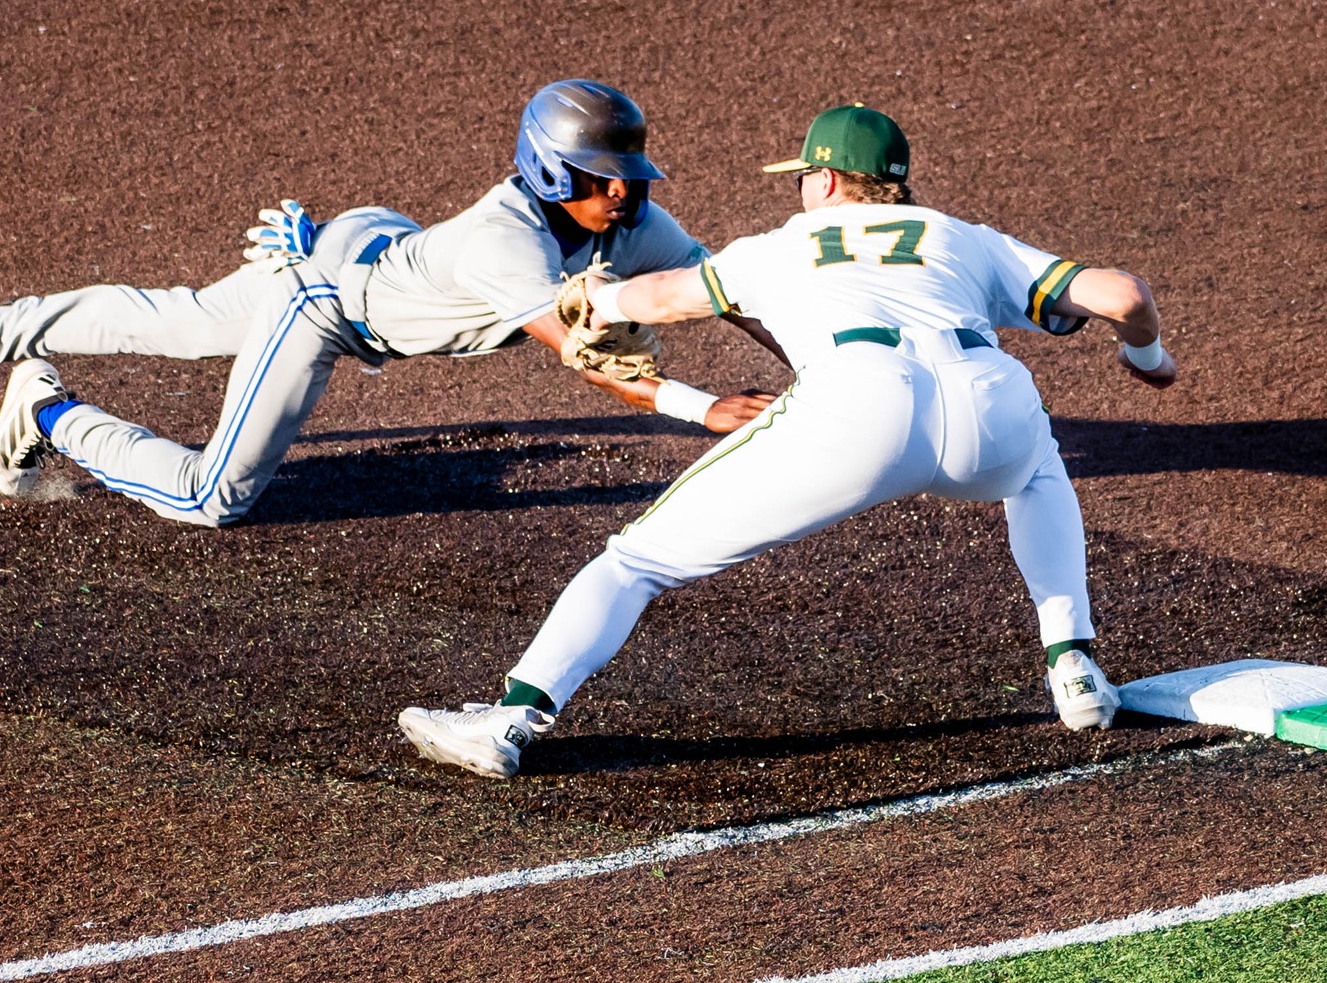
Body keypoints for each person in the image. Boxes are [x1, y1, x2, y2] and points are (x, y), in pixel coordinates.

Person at [398, 103, 1179, 778]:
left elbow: (667, 298)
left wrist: (600, 302)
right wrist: (1145, 355)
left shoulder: (780, 244)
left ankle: (509, 723)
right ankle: (1073, 665)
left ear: (830, 181)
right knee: (1039, 472)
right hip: (988, 405)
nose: (799, 188)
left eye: (804, 175)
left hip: (859, 409)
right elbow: (1122, 294)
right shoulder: (962, 238)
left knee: (635, 562)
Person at [0, 80, 777, 527]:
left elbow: (730, 292)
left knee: (182, 319)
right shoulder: (506, 243)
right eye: (606, 179)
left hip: (375, 247)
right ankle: (42, 402)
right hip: (333, 299)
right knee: (213, 495)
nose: (624, 195)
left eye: (632, 178)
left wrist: (822, 355)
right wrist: (702, 409)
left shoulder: (637, 219)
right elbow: (588, 358)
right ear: (552, 170)